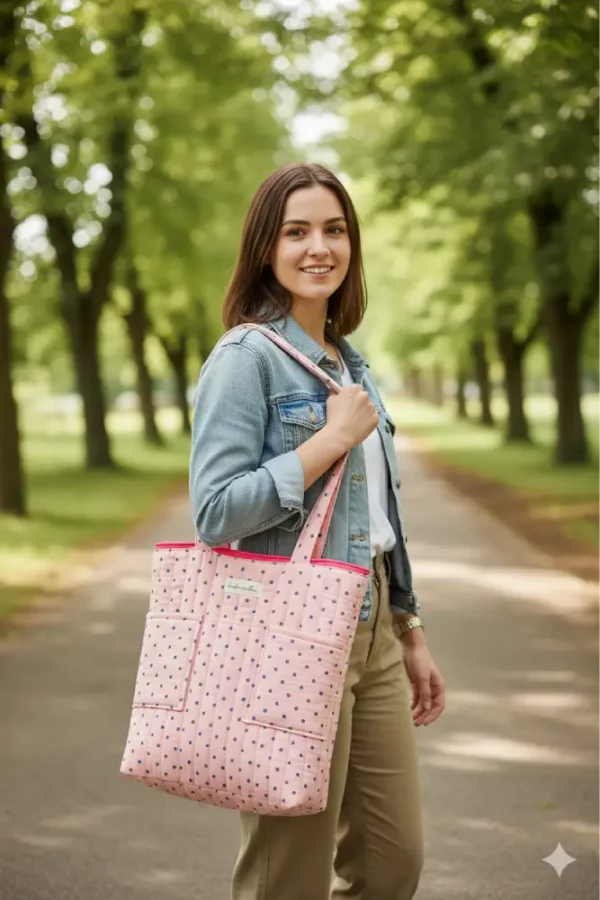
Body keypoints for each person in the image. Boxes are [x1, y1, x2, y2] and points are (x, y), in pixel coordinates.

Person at [189, 162, 446, 900]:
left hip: (375, 633)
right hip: (289, 634)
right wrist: (325, 444)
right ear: (266, 247)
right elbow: (214, 512)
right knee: (288, 876)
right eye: (296, 231)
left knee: (394, 865)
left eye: (334, 230)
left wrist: (410, 625)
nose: (318, 248)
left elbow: (380, 520)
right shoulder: (245, 359)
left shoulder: (351, 363)